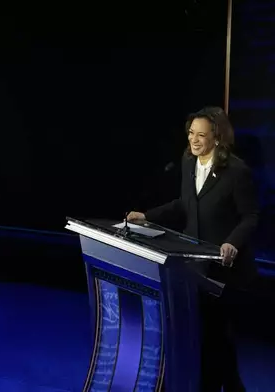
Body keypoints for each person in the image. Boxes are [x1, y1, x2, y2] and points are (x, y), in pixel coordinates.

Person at [127, 106, 258, 391]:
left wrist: (232, 242)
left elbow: (251, 217)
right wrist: (148, 215)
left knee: (215, 336)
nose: (194, 141)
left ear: (218, 138)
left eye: (201, 135)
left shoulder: (236, 172)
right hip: (193, 266)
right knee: (214, 338)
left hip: (225, 270)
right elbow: (184, 205)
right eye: (190, 134)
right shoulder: (188, 162)